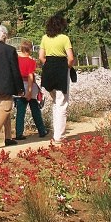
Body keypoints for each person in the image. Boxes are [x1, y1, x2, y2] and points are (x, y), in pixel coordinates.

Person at [38, 14, 75, 144]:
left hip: (48, 71)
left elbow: (41, 57)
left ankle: (56, 133)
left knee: (55, 102)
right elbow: (71, 58)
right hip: (61, 71)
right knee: (62, 103)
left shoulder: (45, 38)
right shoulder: (64, 38)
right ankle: (59, 136)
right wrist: (67, 68)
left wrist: (49, 65)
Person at [14, 40, 48, 140]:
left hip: (19, 86)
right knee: (35, 110)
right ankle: (41, 130)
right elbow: (30, 76)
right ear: (30, 49)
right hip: (29, 86)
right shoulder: (31, 61)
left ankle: (19, 133)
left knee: (20, 112)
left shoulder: (16, 60)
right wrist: (29, 91)